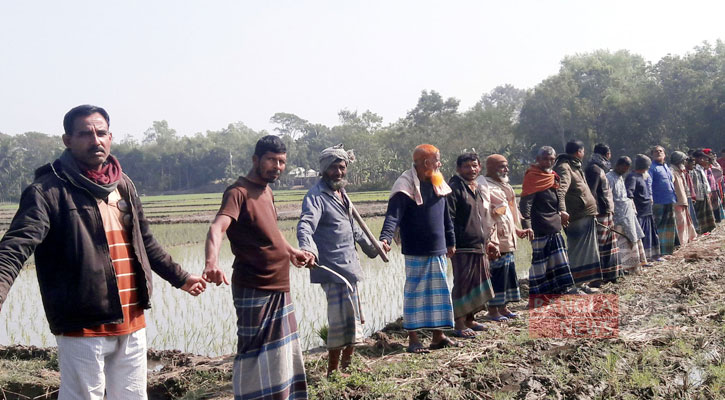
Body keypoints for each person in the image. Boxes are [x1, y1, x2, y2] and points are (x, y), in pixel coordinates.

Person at [0, 105, 206, 399]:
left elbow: (144, 242)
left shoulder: (123, 184)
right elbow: (16, 245)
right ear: (67, 140)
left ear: (110, 137)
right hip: (83, 322)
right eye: (85, 134)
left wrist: (181, 278)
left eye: (101, 133)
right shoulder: (47, 191)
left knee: (133, 396)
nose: (95, 140)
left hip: (132, 317)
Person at [203, 135, 313, 399]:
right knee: (253, 354)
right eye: (271, 160)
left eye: (282, 161)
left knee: (281, 353)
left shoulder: (267, 191)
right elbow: (217, 228)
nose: (277, 166)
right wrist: (211, 263)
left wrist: (291, 251)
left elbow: (272, 232)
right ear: (256, 160)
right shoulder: (237, 192)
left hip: (279, 284)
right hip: (254, 285)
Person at [296, 144, 380, 376]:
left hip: (349, 267)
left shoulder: (341, 194)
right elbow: (306, 225)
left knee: (352, 319)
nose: (339, 172)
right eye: (334, 168)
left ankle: (347, 366)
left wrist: (375, 249)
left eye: (342, 167)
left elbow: (356, 230)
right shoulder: (316, 196)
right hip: (332, 268)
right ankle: (333, 371)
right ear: (324, 170)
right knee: (339, 321)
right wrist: (308, 249)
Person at [379, 144, 457, 353]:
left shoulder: (437, 181)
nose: (439, 164)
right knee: (415, 293)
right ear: (425, 163)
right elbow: (393, 216)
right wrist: (385, 238)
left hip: (438, 248)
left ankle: (438, 336)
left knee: (440, 292)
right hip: (415, 249)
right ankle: (413, 340)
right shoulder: (404, 185)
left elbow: (446, 216)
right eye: (437, 160)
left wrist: (451, 241)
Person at [446, 152, 497, 335]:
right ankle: (459, 323)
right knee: (463, 283)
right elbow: (449, 218)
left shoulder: (475, 188)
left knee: (477, 281)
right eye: (467, 166)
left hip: (479, 245)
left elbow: (482, 217)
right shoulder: (455, 188)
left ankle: (470, 319)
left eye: (474, 165)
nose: (471, 169)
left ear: (479, 167)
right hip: (462, 245)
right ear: (459, 169)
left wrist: (489, 241)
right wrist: (451, 242)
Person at [519, 146, 577, 296]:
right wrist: (527, 225)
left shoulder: (553, 175)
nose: (548, 161)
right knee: (540, 261)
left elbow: (559, 197)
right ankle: (539, 293)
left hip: (554, 223)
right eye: (545, 158)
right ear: (538, 159)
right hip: (540, 225)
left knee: (558, 258)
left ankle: (560, 289)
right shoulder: (532, 176)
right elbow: (526, 203)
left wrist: (562, 211)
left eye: (551, 159)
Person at [483, 154, 531, 320]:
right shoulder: (485, 186)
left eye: (506, 166)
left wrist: (517, 230)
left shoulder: (505, 185)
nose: (506, 169)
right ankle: (493, 311)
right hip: (496, 239)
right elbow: (488, 216)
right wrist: (491, 240)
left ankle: (503, 308)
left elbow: (508, 213)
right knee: (496, 275)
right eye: (502, 166)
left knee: (507, 274)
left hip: (508, 237)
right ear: (490, 168)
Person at [553, 140, 602, 292]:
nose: (584, 153)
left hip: (585, 214)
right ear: (578, 152)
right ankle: (573, 285)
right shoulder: (564, 167)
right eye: (583, 151)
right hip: (577, 215)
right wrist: (562, 211)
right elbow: (560, 191)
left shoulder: (574, 166)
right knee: (577, 251)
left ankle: (583, 284)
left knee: (587, 252)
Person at [584, 143, 621, 282]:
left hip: (606, 210)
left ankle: (610, 274)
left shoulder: (599, 168)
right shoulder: (594, 169)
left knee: (609, 243)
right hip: (600, 212)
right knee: (601, 244)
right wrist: (593, 212)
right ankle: (599, 277)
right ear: (607, 154)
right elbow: (592, 193)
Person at [606, 157, 648, 272]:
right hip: (617, 216)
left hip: (627, 214)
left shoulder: (620, 177)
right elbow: (609, 197)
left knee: (633, 238)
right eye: (623, 167)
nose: (625, 170)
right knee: (622, 241)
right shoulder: (609, 177)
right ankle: (624, 267)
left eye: (627, 168)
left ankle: (634, 266)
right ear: (618, 165)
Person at [626, 154, 661, 260]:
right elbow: (629, 193)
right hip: (640, 212)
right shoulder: (632, 177)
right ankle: (643, 258)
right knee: (643, 235)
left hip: (647, 210)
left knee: (651, 235)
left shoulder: (641, 176)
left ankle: (652, 256)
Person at [648, 145, 678, 256]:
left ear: (664, 154)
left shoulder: (666, 167)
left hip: (670, 200)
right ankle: (658, 251)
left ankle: (668, 250)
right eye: (655, 151)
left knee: (669, 226)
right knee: (658, 226)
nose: (658, 153)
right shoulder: (652, 168)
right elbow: (648, 183)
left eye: (660, 151)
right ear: (652, 155)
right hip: (658, 201)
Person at [669, 151, 697, 245]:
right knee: (680, 224)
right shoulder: (672, 171)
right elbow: (670, 186)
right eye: (684, 160)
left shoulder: (679, 171)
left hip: (682, 201)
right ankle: (681, 243)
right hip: (677, 202)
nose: (685, 162)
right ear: (679, 161)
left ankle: (686, 241)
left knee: (685, 222)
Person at [691, 150, 717, 234]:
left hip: (704, 192)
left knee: (706, 211)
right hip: (698, 194)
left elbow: (704, 181)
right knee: (699, 213)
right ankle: (701, 229)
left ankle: (707, 228)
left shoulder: (700, 168)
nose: (704, 160)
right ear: (697, 159)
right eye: (702, 158)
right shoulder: (693, 169)